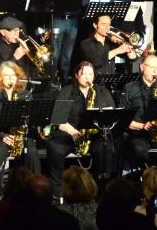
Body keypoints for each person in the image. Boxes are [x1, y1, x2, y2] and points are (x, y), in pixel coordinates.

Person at [46, 61, 115, 189]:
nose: (87, 77)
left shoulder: (102, 92)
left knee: (106, 147)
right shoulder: (66, 91)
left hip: (95, 136)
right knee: (53, 147)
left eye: (91, 74)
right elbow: (57, 118)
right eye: (84, 74)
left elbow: (111, 115)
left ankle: (100, 187)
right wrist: (70, 130)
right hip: (71, 135)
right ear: (77, 75)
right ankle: (57, 189)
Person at [0, 61, 41, 191]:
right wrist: (3, 136)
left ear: (18, 77)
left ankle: (36, 189)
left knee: (32, 151)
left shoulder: (26, 95)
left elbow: (33, 120)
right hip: (3, 135)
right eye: (6, 76)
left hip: (23, 135)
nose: (10, 78)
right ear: (0, 78)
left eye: (13, 75)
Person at [120, 55, 157, 169]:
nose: (155, 71)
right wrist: (143, 126)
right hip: (138, 134)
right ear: (142, 67)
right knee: (140, 153)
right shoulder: (129, 88)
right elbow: (122, 119)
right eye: (152, 67)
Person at [43, 0, 85, 82]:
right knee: (54, 55)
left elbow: (85, 2)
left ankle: (65, 82)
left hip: (73, 22)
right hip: (57, 20)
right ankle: (50, 82)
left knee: (67, 56)